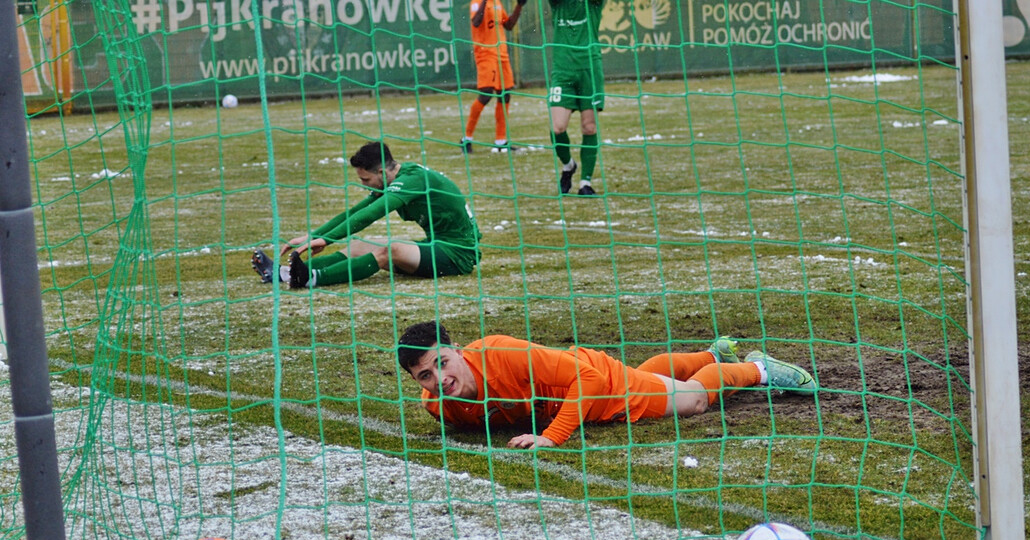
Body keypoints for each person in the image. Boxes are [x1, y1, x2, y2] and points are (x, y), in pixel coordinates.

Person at [396, 321, 817, 449]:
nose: (441, 380)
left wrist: (552, 437)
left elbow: (589, 377)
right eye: (426, 377)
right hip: (585, 383)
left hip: (602, 388)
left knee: (692, 401)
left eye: (443, 363)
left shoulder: (502, 353)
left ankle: (757, 370)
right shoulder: (438, 406)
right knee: (655, 377)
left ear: (456, 350)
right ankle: (712, 356)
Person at [251, 141, 481, 289]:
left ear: (381, 171)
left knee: (391, 251)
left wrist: (328, 239)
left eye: (365, 180)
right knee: (360, 245)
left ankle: (311, 278)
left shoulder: (412, 180)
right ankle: (283, 273)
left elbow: (372, 213)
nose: (364, 185)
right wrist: (315, 235)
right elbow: (356, 212)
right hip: (436, 245)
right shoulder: (394, 180)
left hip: (457, 255)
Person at [546, 0, 606, 196]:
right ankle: (568, 165)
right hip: (563, 70)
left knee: (589, 126)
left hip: (589, 67)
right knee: (557, 127)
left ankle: (585, 183)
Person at [461, 0, 526, 154]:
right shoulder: (476, 2)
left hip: (501, 53)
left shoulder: (497, 2)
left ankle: (500, 141)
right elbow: (476, 22)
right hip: (485, 52)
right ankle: (466, 138)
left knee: (505, 94)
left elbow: (508, 25)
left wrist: (519, 6)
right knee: (486, 94)